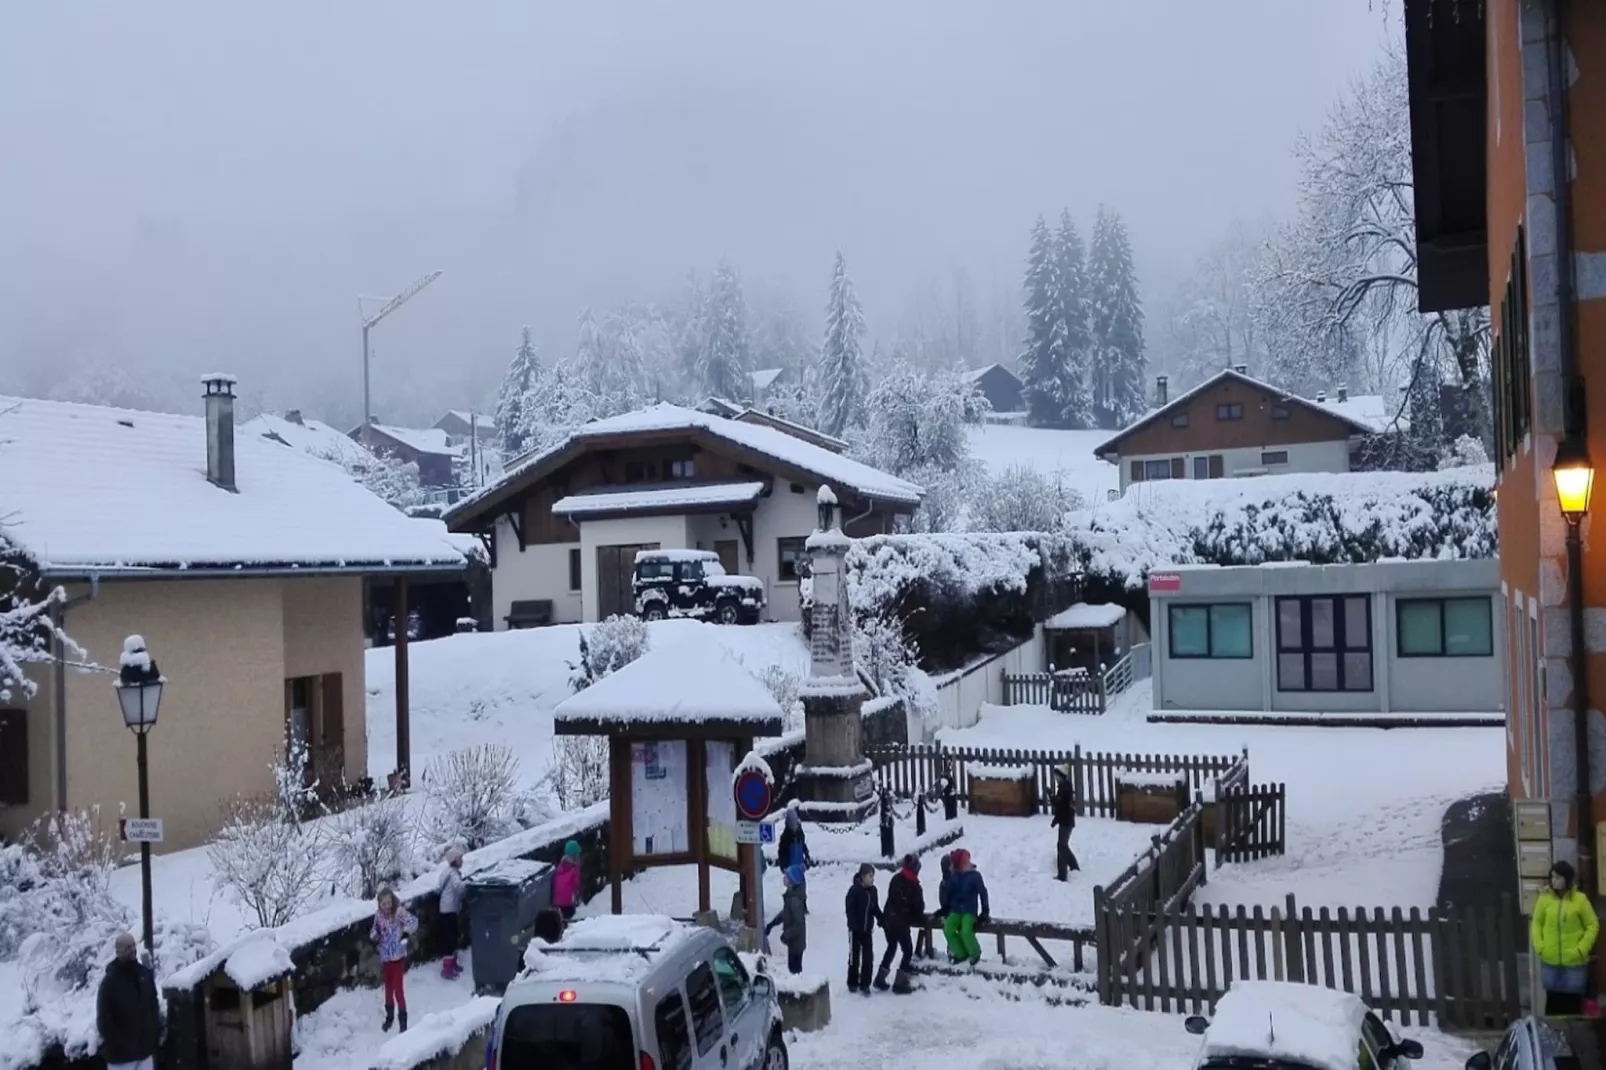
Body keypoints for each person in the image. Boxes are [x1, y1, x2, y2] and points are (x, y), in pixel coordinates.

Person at [1531, 860, 1598, 1016]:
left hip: (1574, 964)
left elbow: (1592, 925)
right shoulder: (1545, 899)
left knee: (1572, 1007)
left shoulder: (1580, 900)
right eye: (1552, 877)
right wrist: (1540, 947)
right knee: (1552, 1005)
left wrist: (1582, 949)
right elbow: (1537, 923)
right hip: (1550, 962)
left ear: (1567, 879)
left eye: (1558, 877)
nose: (1554, 881)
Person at [97, 932, 160, 1070]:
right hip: (121, 1059)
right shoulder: (110, 982)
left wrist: (153, 1035)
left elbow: (154, 1007)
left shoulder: (144, 975)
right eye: (127, 947)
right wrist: (120, 1043)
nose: (132, 950)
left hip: (145, 1054)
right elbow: (104, 1020)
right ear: (118, 951)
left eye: (133, 946)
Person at [371, 885, 418, 1032]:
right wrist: (375, 935)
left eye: (389, 902)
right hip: (386, 957)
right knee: (388, 989)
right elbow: (374, 931)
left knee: (398, 990)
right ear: (379, 904)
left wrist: (405, 933)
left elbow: (413, 922)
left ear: (392, 901)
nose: (387, 906)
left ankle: (403, 1023)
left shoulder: (399, 912)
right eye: (383, 904)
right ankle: (389, 1017)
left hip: (397, 956)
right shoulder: (378, 916)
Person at [877, 853, 924, 991]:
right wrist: (918, 918)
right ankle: (900, 982)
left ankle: (880, 978)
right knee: (907, 950)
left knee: (891, 947)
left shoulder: (896, 878)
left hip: (888, 920)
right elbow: (918, 908)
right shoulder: (915, 886)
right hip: (901, 923)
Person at [942, 849, 989, 967]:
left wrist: (985, 911)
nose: (968, 862)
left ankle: (975, 953)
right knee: (948, 929)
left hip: (969, 909)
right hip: (956, 909)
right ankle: (961, 953)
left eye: (968, 859)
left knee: (966, 930)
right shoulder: (954, 876)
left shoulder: (975, 876)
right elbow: (949, 893)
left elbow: (983, 892)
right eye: (965, 860)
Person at [844, 863, 881, 994]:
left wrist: (881, 918)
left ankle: (865, 984)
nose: (872, 879)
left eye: (873, 876)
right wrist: (854, 926)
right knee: (854, 957)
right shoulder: (854, 891)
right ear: (862, 876)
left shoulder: (873, 891)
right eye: (869, 876)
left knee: (868, 957)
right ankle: (852, 982)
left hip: (867, 930)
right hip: (855, 931)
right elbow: (850, 911)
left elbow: (874, 908)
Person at [769, 863, 809, 974]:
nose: (784, 878)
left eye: (786, 876)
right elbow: (785, 913)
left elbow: (799, 924)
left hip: (796, 943)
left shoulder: (794, 900)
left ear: (792, 881)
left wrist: (787, 934)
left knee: (794, 970)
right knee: (794, 969)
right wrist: (772, 924)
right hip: (794, 941)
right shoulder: (791, 895)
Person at [438, 847, 466, 980]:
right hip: (449, 910)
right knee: (450, 939)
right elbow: (459, 887)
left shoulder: (446, 872)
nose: (462, 861)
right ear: (454, 860)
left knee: (454, 936)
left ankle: (453, 963)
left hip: (447, 909)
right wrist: (468, 885)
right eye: (460, 858)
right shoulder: (453, 874)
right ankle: (447, 968)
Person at [1050, 764, 1080, 880]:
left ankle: (1062, 874)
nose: (1055, 778)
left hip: (1066, 821)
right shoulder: (1064, 787)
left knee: (1061, 846)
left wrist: (1052, 797)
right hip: (1066, 820)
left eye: (1056, 776)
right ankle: (1073, 866)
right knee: (1063, 845)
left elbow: (1061, 805)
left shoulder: (1065, 789)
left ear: (1061, 776)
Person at [552, 839, 583, 922]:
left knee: (560, 919)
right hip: (568, 903)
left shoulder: (560, 866)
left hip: (557, 902)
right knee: (568, 918)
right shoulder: (574, 869)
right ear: (575, 856)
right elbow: (576, 885)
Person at [777, 802, 813, 872]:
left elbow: (803, 846)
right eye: (791, 823)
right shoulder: (785, 836)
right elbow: (781, 853)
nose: (794, 826)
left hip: (799, 866)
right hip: (790, 867)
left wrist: (807, 858)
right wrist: (784, 866)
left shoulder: (800, 833)